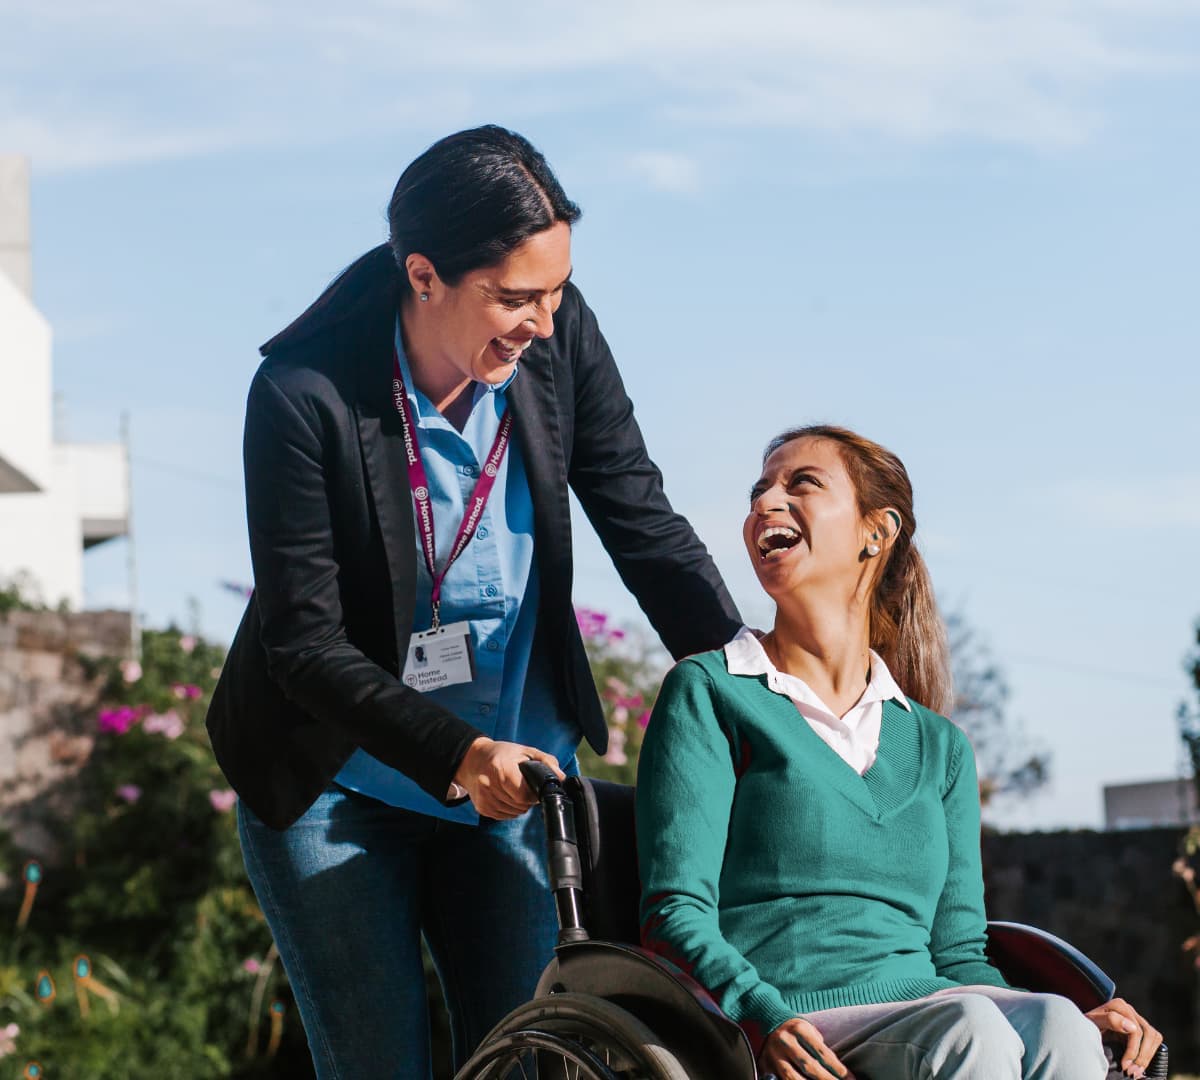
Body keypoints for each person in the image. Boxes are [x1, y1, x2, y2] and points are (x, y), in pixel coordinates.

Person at [206, 125, 741, 1078]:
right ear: (424, 276)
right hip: (340, 784)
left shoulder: (558, 337)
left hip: (517, 774)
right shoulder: (301, 392)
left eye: (558, 290)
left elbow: (641, 520)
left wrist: (758, 695)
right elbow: (302, 642)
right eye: (515, 297)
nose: (543, 319)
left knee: (534, 1055)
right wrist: (455, 753)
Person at [636, 424, 1162, 1080]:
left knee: (1059, 1024)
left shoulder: (940, 748)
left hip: (936, 1011)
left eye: (801, 483)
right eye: (759, 490)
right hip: (795, 1025)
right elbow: (674, 914)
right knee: (971, 1033)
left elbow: (960, 951)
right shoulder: (712, 693)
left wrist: (1079, 1009)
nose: (765, 503)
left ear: (875, 532)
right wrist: (759, 1012)